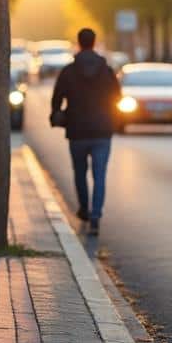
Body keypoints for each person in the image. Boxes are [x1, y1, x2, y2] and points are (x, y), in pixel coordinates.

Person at [49, 28, 121, 236]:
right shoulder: (106, 71)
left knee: (80, 173)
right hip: (102, 130)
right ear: (94, 42)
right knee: (99, 175)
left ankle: (84, 209)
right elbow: (117, 96)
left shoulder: (69, 71)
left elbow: (56, 98)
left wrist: (58, 113)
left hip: (77, 130)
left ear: (79, 43)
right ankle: (96, 216)